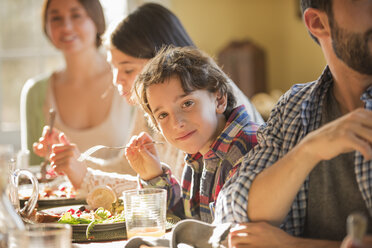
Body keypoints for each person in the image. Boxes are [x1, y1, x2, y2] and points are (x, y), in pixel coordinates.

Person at [33, 3, 263, 195]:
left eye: (127, 69)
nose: (116, 81)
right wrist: (74, 160)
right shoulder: (159, 106)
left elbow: (174, 198)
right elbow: (131, 168)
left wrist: (84, 174)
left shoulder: (201, 116)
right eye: (113, 68)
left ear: (163, 61)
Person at [215, 0, 372, 247]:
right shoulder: (293, 106)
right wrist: (308, 150)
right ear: (319, 23)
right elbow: (232, 214)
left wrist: (294, 245)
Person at [125, 46, 258, 223]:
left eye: (187, 104)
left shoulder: (246, 149)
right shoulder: (198, 154)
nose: (177, 123)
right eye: (163, 115)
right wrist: (153, 175)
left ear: (219, 99)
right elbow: (187, 222)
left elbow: (226, 235)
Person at [20, 0, 132, 173]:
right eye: (56, 18)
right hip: (58, 199)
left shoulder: (128, 78)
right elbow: (34, 172)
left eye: (76, 15)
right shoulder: (35, 93)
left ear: (96, 19)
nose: (66, 26)